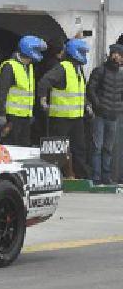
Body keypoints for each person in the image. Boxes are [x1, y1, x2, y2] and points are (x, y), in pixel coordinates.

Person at [38, 39, 91, 180]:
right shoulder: (63, 67)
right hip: (60, 117)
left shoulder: (78, 69)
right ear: (75, 52)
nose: (84, 55)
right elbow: (44, 82)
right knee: (57, 149)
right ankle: (53, 177)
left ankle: (81, 177)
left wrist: (86, 105)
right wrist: (43, 100)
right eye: (82, 52)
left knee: (79, 148)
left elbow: (80, 92)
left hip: (76, 117)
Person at [0, 35, 47, 146]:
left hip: (25, 118)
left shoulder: (29, 67)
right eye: (36, 50)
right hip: (12, 117)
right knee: (11, 147)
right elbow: (2, 92)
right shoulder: (10, 66)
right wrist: (1, 114)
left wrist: (30, 113)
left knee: (24, 147)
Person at [87, 44, 123, 185]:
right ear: (111, 54)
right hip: (100, 115)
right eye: (116, 54)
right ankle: (96, 177)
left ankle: (106, 177)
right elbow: (91, 89)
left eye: (120, 55)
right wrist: (98, 105)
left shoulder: (121, 74)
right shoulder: (100, 71)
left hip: (114, 116)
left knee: (108, 148)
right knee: (97, 147)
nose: (117, 57)